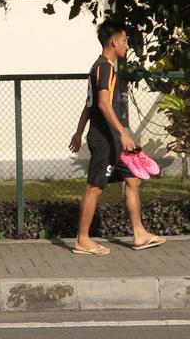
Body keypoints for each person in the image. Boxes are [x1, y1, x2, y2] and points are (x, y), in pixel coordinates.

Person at [68, 19, 165, 255]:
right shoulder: (105, 68)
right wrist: (122, 133)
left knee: (133, 180)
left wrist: (79, 132)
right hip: (106, 140)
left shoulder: (102, 67)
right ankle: (82, 239)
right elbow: (101, 104)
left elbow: (88, 105)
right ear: (114, 41)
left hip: (113, 138)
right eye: (124, 40)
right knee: (94, 187)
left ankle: (139, 234)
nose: (126, 45)